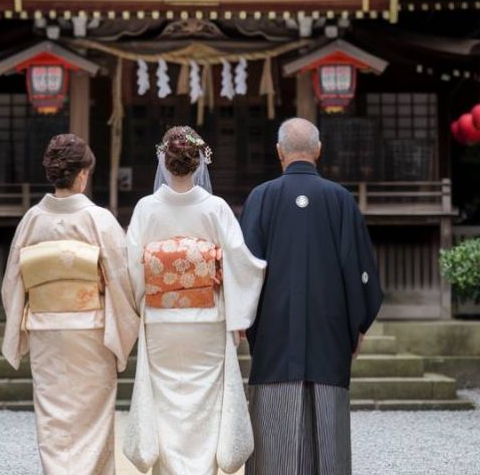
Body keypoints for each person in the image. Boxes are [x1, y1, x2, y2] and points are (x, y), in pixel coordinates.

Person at [240, 117, 384, 475]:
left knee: (273, 431)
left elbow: (245, 268)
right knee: (328, 435)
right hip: (330, 330)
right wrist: (358, 325)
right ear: (318, 151)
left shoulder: (262, 197)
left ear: (279, 152)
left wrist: (243, 320)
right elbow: (360, 270)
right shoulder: (340, 199)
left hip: (274, 330)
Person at [123, 126, 266, 475]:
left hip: (161, 322)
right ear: (199, 162)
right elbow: (240, 262)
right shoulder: (215, 208)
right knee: (204, 405)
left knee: (166, 404)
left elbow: (130, 266)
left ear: (165, 162)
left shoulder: (146, 208)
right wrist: (239, 310)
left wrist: (145, 298)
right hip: (206, 321)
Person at [0, 133, 139, 475]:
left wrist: (24, 323)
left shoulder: (32, 219)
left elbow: (12, 284)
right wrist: (125, 326)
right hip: (90, 332)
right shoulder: (99, 220)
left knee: (53, 419)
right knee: (91, 417)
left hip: (47, 331)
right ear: (82, 175)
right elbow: (122, 279)